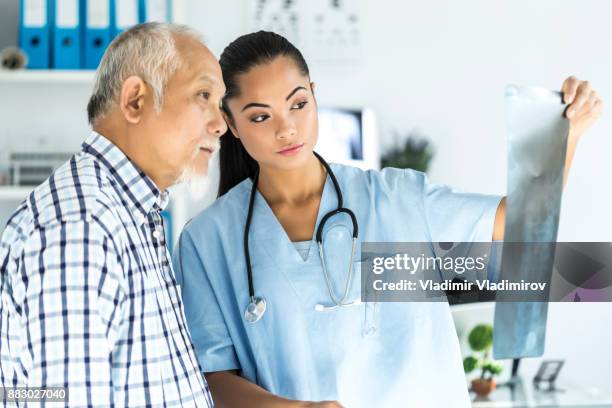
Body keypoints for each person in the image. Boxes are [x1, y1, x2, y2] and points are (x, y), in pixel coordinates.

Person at [173, 31, 602, 407]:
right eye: (260, 116)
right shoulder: (208, 240)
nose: (286, 129)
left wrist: (569, 133)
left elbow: (517, 223)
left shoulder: (398, 198)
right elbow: (212, 377)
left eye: (298, 104)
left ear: (315, 94)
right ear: (229, 122)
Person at [0, 23, 226, 406]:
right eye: (203, 95)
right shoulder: (82, 230)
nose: (221, 124)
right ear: (135, 100)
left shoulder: (131, 213)